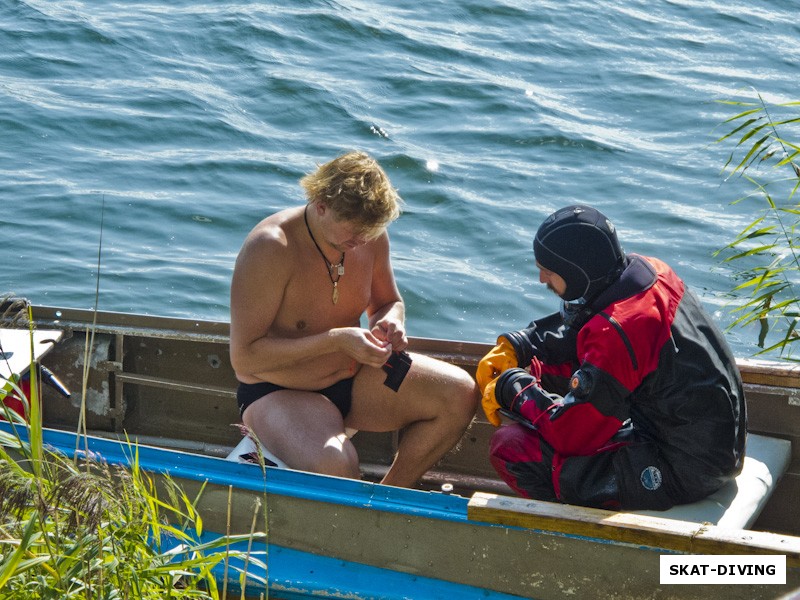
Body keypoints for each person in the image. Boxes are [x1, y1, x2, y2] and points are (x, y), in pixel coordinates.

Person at [229, 150, 479, 487]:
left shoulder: (368, 235)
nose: (361, 240)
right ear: (320, 204)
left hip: (354, 375)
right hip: (278, 389)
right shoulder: (271, 247)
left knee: (458, 393)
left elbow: (389, 302)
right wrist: (335, 340)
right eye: (354, 231)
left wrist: (392, 322)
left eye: (370, 230)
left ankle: (385, 502)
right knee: (338, 465)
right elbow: (244, 357)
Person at [477, 204, 746, 511]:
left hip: (685, 468)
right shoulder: (652, 273)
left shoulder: (618, 331)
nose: (541, 279)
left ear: (577, 274)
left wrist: (512, 388)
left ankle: (569, 537)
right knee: (545, 372)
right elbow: (584, 326)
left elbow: (572, 437)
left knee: (511, 446)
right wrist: (523, 346)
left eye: (548, 271)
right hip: (713, 443)